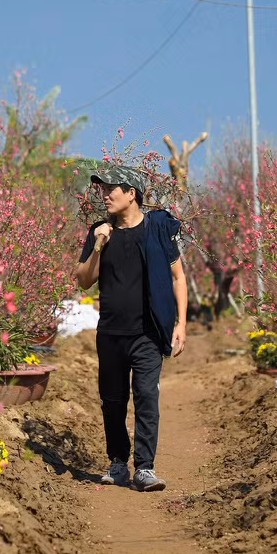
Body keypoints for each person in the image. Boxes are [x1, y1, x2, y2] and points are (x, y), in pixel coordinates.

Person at [75, 165, 188, 492]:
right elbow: (83, 281)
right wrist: (98, 246)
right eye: (103, 188)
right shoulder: (99, 232)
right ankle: (117, 461)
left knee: (146, 397)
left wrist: (181, 323)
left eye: (112, 188)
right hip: (110, 333)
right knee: (111, 400)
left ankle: (145, 468)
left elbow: (178, 277)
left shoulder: (156, 231)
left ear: (132, 193)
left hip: (148, 334)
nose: (105, 194)